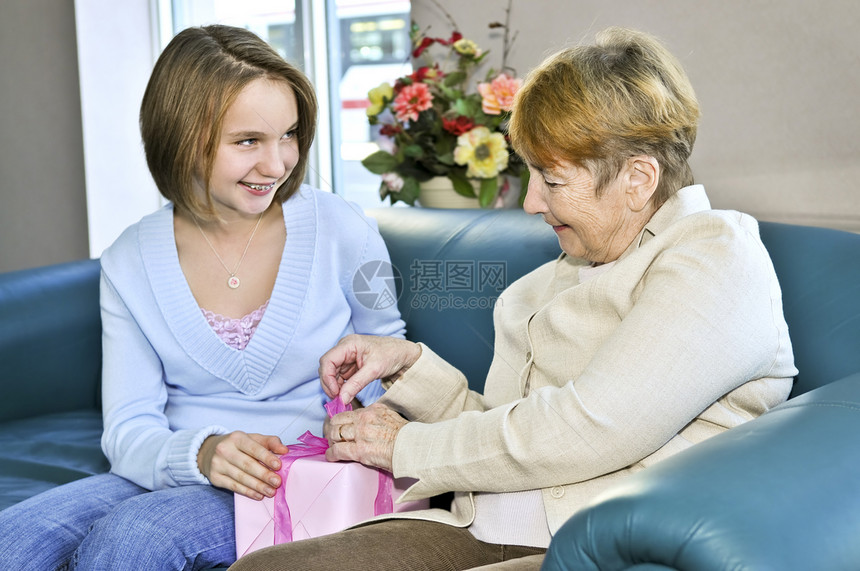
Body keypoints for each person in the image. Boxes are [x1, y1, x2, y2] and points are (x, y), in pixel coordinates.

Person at [228, 27, 798, 571]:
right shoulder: (552, 279)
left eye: (552, 179)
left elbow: (591, 428)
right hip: (484, 528)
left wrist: (407, 448)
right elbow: (512, 433)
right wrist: (411, 367)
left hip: (602, 548)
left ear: (638, 178)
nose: (530, 203)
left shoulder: (715, 256)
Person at [0, 24, 404, 570]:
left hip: (309, 473)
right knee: (12, 542)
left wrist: (363, 430)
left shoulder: (345, 228)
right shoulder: (129, 261)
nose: (278, 163)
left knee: (131, 543)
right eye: (248, 142)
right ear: (182, 137)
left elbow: (391, 361)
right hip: (182, 467)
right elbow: (129, 429)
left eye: (288, 135)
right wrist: (204, 452)